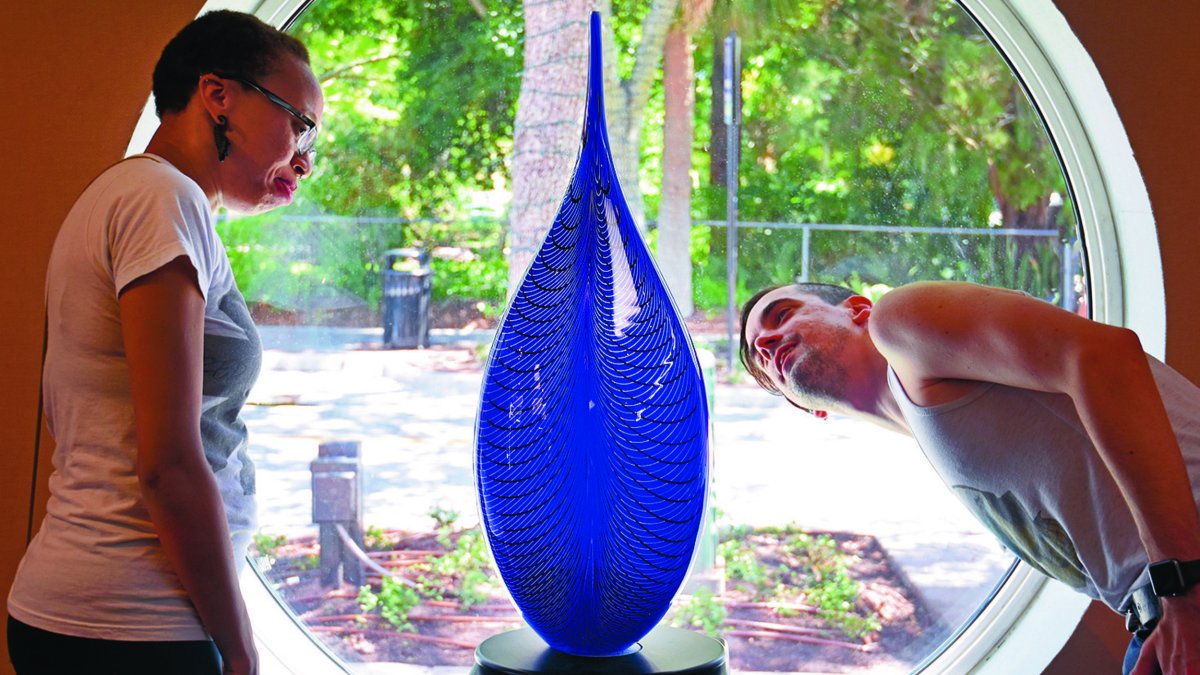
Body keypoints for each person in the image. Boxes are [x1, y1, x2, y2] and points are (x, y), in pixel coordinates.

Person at [5, 10, 323, 675]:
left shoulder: (138, 195)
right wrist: (239, 647)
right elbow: (170, 462)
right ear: (218, 95)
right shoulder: (160, 200)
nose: (305, 159)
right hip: (131, 629)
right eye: (299, 123)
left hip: (108, 618)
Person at [740, 280, 1200, 675]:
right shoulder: (939, 430)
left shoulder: (898, 322)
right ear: (807, 408)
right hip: (1161, 612)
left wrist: (1181, 585)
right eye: (759, 363)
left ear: (859, 310)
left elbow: (1103, 353)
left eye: (782, 314)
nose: (766, 343)